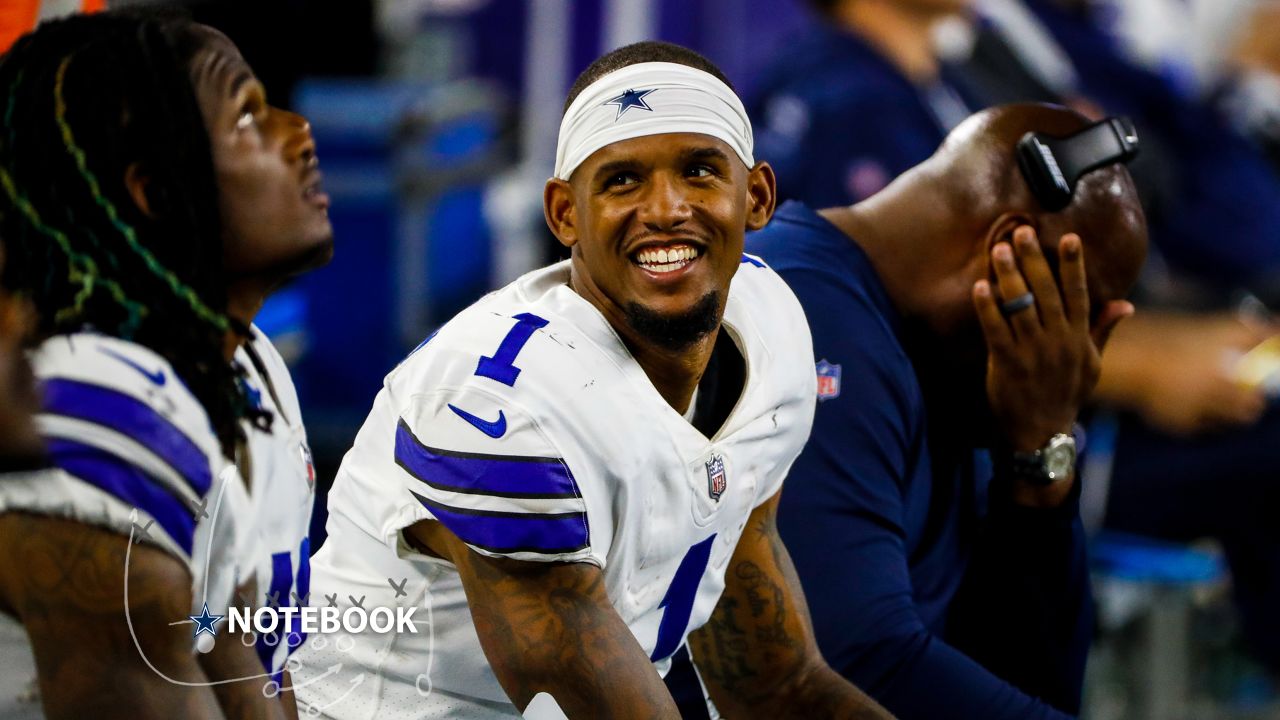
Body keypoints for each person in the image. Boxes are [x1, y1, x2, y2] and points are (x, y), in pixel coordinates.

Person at [292, 41, 892, 719]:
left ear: (755, 196)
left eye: (699, 171)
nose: (665, 208)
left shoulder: (774, 320)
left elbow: (776, 687)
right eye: (622, 181)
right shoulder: (499, 403)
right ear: (564, 214)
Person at [743, 103, 1147, 719]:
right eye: (1081, 315)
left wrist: (1039, 451)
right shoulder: (801, 314)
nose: (1081, 359)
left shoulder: (952, 364)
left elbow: (1033, 684)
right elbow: (848, 666)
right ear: (1010, 254)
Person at [0, 11, 332, 718]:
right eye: (247, 117)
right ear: (153, 192)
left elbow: (251, 677)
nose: (298, 133)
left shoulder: (249, 369)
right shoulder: (87, 403)